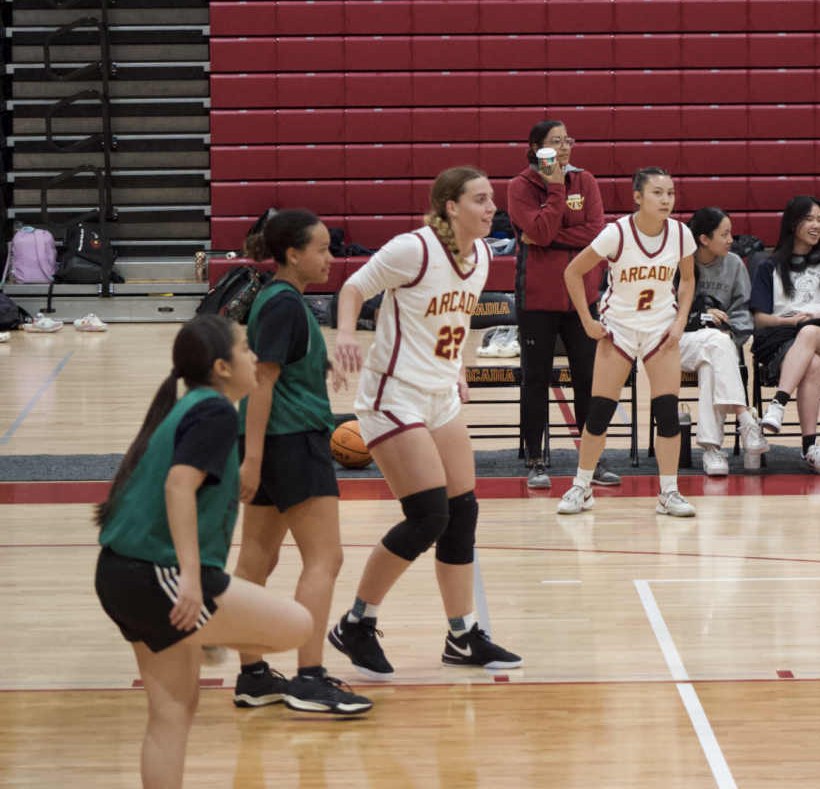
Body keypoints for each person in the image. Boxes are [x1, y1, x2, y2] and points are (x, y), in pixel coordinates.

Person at [94, 315, 312, 789]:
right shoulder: (213, 410)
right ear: (221, 366)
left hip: (119, 572)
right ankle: (210, 630)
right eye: (245, 349)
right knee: (298, 624)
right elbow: (178, 488)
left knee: (173, 712)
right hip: (158, 573)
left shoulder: (192, 405)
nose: (255, 357)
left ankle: (207, 631)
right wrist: (191, 578)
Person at [328, 166, 523, 680]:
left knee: (463, 513)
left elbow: (453, 323)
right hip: (393, 396)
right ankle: (356, 623)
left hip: (439, 395)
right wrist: (346, 335)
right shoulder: (412, 249)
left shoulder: (481, 256)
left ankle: (462, 637)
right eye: (480, 200)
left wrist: (457, 367)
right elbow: (352, 288)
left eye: (492, 200)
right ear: (450, 206)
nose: (491, 208)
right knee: (428, 516)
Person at [232, 210, 371, 715]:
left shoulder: (279, 298)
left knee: (257, 560)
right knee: (325, 559)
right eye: (322, 249)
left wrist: (321, 362)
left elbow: (279, 367)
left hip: (275, 441)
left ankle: (252, 675)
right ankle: (309, 678)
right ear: (294, 254)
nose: (330, 258)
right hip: (290, 440)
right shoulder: (285, 304)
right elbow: (261, 382)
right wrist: (251, 459)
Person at [556, 167, 698, 516]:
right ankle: (581, 487)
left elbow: (689, 279)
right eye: (657, 193)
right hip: (618, 327)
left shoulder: (681, 234)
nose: (666, 200)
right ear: (638, 197)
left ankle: (669, 493)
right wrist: (587, 321)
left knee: (666, 412)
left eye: (670, 193)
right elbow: (573, 272)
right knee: (600, 411)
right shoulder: (616, 233)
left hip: (660, 329)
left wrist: (680, 322)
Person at [508, 120, 619, 489]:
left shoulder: (585, 181)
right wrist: (555, 189)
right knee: (535, 381)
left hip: (583, 302)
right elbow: (540, 232)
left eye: (567, 139)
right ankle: (536, 461)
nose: (565, 146)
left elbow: (596, 233)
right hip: (537, 301)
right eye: (555, 141)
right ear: (537, 147)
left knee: (588, 382)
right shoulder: (520, 187)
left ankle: (593, 462)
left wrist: (545, 237)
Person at [749, 195, 820, 475]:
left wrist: (817, 318)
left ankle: (778, 404)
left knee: (810, 333)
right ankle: (811, 449)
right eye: (809, 218)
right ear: (793, 223)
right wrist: (788, 320)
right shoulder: (768, 266)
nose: (816, 225)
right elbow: (759, 319)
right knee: (812, 363)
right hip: (783, 339)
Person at [679, 207, 769, 475]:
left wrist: (731, 332)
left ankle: (712, 450)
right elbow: (667, 311)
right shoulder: (679, 261)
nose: (732, 239)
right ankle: (746, 419)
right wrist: (702, 316)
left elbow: (743, 311)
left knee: (713, 360)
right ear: (704, 238)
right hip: (679, 341)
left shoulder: (733, 264)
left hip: (720, 343)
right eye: (725, 233)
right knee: (717, 343)